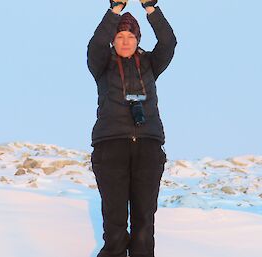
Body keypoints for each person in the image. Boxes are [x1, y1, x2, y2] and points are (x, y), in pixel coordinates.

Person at [87, 0, 177, 256]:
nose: (125, 41)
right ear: (113, 40)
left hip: (148, 147)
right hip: (110, 147)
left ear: (138, 40)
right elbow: (95, 44)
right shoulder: (102, 65)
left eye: (130, 36)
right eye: (119, 36)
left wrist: (151, 8)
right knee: (115, 227)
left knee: (144, 226)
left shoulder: (150, 63)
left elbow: (168, 42)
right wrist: (114, 10)